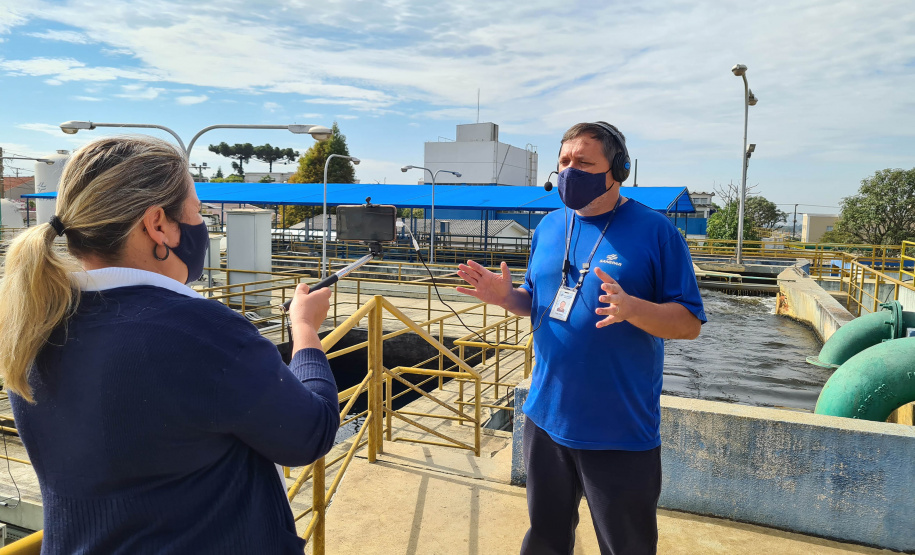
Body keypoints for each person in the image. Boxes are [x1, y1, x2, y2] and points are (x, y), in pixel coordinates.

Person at [0, 136, 340, 554]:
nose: (203, 227)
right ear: (158, 224)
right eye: (197, 212)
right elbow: (309, 434)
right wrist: (305, 329)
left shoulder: (35, 322)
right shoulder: (201, 331)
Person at [457, 122, 706, 554]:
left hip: (619, 429)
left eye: (584, 162)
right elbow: (538, 301)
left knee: (626, 545)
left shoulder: (655, 232)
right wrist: (507, 298)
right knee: (546, 539)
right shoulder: (549, 228)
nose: (570, 171)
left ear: (619, 169)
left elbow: (689, 323)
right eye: (564, 163)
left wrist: (634, 309)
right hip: (545, 418)